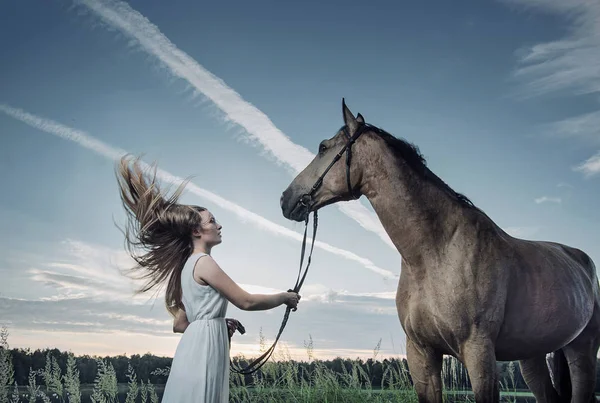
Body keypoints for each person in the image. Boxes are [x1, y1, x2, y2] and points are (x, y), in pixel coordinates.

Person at [115, 155, 300, 402]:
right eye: (212, 221)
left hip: (193, 351)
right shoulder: (204, 263)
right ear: (196, 231)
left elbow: (180, 325)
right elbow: (245, 301)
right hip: (204, 352)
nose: (219, 225)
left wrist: (216, 323)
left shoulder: (185, 267)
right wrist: (285, 297)